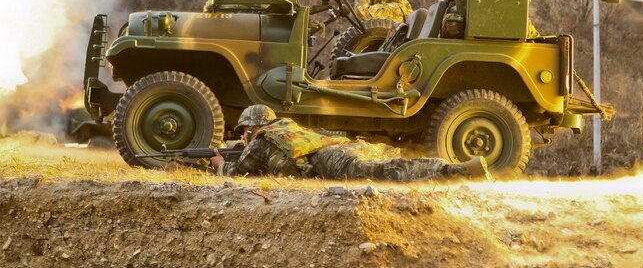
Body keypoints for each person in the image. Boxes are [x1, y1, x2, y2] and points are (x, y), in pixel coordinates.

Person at [210, 105, 489, 181]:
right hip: (336, 147)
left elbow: (237, 173)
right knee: (387, 162)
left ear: (255, 126)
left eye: (246, 130)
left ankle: (456, 170)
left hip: (329, 159)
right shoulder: (283, 128)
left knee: (385, 171)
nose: (245, 135)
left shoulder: (262, 139)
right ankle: (454, 168)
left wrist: (220, 164)